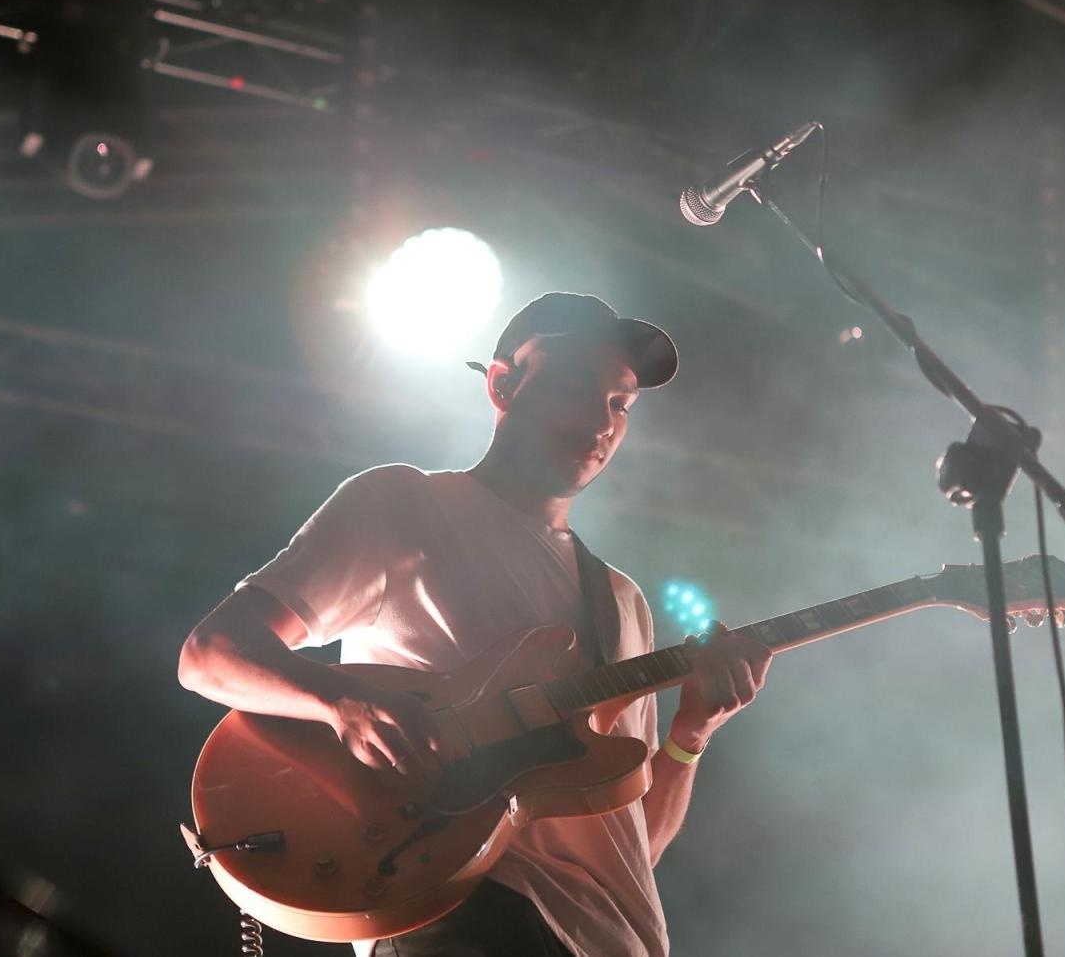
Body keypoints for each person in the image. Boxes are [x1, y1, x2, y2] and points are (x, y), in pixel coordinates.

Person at [178, 292, 773, 957]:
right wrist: (338, 704)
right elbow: (211, 653)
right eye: (577, 385)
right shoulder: (406, 505)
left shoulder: (622, 601)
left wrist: (692, 735)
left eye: (620, 404)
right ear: (503, 383)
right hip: (470, 914)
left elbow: (631, 846)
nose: (601, 420)